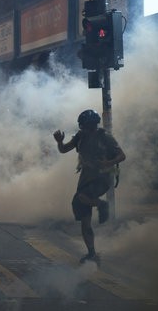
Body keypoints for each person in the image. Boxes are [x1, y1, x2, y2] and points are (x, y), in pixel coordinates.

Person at [53, 109, 126, 265]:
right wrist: (59, 141)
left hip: (102, 178)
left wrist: (108, 163)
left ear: (93, 125)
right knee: (84, 220)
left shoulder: (105, 137)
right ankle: (91, 252)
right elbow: (64, 149)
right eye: (83, 126)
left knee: (81, 198)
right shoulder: (80, 136)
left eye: (87, 126)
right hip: (86, 178)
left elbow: (122, 155)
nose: (84, 129)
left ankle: (102, 205)